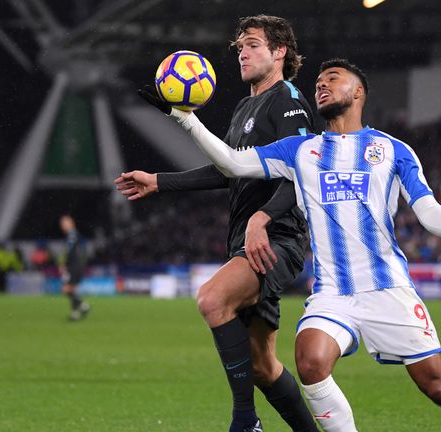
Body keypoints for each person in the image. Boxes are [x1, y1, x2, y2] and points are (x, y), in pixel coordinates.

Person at [148, 58, 441, 431]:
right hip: (333, 292)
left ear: (358, 91)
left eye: (333, 79)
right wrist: (185, 119)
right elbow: (232, 164)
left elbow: (427, 209)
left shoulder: (393, 149)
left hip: (388, 289)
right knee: (310, 363)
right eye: (318, 82)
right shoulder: (299, 150)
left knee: (436, 385)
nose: (321, 85)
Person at [116, 15, 319, 432]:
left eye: (252, 45)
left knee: (212, 298)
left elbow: (303, 172)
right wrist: (159, 181)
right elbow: (229, 170)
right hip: (248, 237)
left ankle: (245, 423)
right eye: (239, 46)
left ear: (280, 52)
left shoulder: (290, 101)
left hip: (277, 237)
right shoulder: (247, 106)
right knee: (262, 367)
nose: (242, 52)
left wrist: (264, 218)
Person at [60, 215, 90, 321]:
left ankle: (80, 309)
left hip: (74, 266)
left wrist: (64, 264)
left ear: (71, 223)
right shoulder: (71, 235)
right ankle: (79, 309)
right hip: (75, 265)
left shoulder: (72, 234)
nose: (62, 226)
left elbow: (70, 251)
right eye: (62, 224)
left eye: (64, 223)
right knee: (70, 289)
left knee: (66, 289)